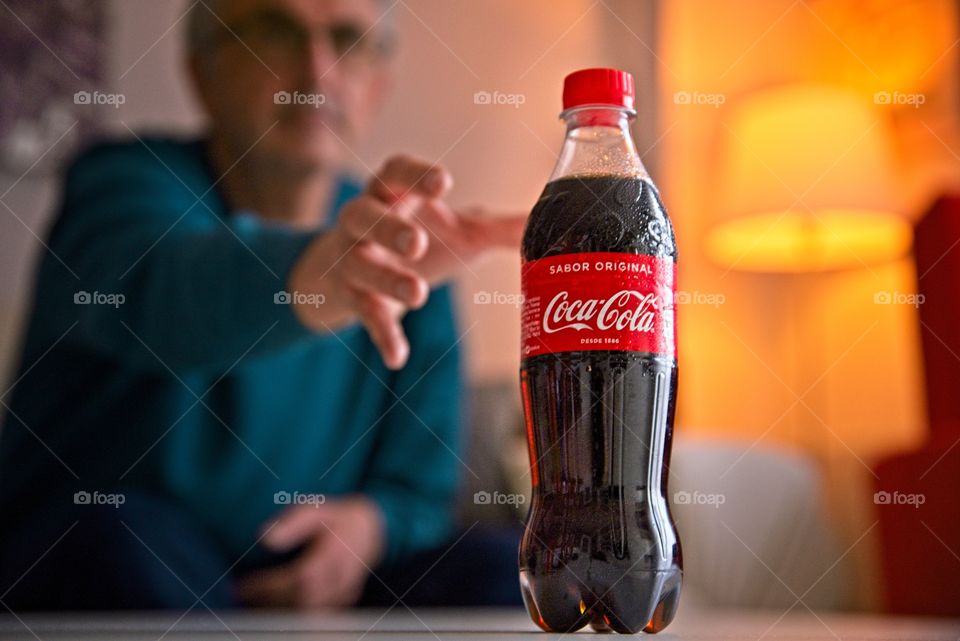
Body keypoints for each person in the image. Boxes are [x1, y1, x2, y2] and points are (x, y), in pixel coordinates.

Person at [0, 0, 526, 610]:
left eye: (348, 41)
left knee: (506, 570)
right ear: (203, 67)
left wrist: (371, 526)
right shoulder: (118, 185)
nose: (317, 72)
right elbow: (164, 294)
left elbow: (418, 489)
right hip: (131, 557)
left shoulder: (405, 245)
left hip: (313, 575)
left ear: (378, 84)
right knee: (116, 541)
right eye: (275, 33)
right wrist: (324, 275)